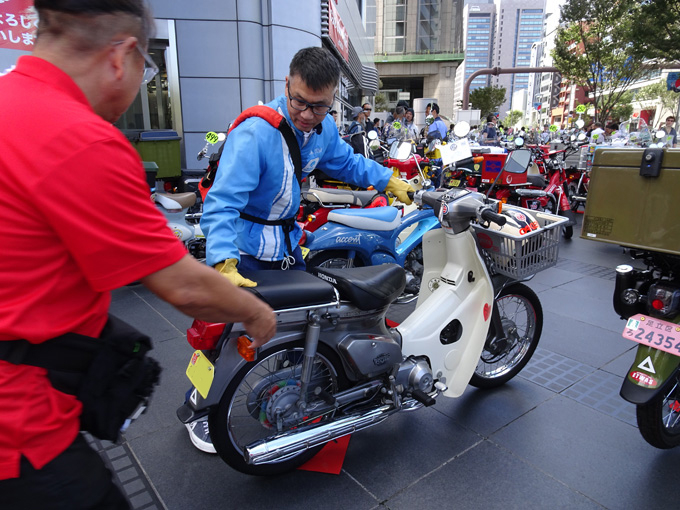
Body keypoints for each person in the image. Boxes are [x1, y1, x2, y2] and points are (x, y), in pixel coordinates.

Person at [0, 1, 276, 508]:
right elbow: (186, 286)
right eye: (146, 68)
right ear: (122, 55)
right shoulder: (81, 139)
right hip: (20, 427)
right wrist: (257, 313)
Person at [196, 47, 413, 452]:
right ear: (286, 87)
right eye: (300, 102)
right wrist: (222, 260)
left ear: (332, 99)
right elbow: (222, 202)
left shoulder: (324, 128)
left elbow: (347, 163)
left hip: (287, 245)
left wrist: (387, 181)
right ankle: (198, 410)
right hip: (243, 249)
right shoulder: (255, 133)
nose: (308, 114)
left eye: (320, 106)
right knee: (222, 336)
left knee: (298, 326)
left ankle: (292, 397)